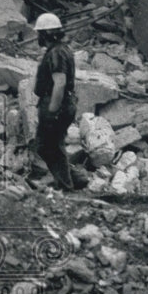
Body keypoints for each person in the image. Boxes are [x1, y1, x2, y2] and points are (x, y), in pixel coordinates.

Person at [32, 13, 85, 191]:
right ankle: (75, 178)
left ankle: (66, 185)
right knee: (51, 144)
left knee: (49, 145)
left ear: (46, 34)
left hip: (57, 104)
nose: (37, 37)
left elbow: (59, 83)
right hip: (62, 103)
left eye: (39, 33)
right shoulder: (61, 50)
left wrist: (53, 110)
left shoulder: (56, 53)